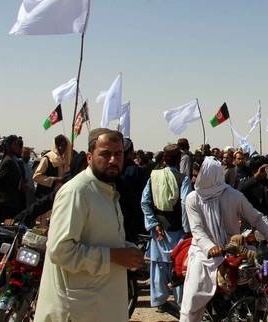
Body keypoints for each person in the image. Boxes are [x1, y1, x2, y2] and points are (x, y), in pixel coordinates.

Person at [34, 128, 144, 322]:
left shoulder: (107, 191)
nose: (113, 160)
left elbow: (101, 239)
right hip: (78, 310)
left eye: (118, 154)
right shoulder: (77, 192)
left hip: (100, 307)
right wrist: (115, 256)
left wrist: (128, 252)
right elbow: (60, 250)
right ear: (89, 157)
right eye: (105, 154)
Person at [179, 156, 268, 322]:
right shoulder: (192, 198)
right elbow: (197, 231)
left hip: (233, 249)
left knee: (261, 284)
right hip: (204, 254)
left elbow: (256, 218)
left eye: (197, 173)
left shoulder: (233, 195)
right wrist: (210, 248)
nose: (194, 178)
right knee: (191, 301)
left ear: (207, 173)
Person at [141, 144, 191, 315]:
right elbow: (185, 204)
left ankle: (160, 300)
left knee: (159, 265)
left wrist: (154, 224)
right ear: (178, 160)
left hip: (158, 230)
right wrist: (187, 229)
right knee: (178, 266)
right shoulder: (183, 179)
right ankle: (181, 303)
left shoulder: (153, 177)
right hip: (177, 229)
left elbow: (145, 202)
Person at [238, 154, 268, 222]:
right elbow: (240, 190)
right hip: (254, 223)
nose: (265, 172)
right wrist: (256, 176)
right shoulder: (248, 183)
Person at [0, 135, 27, 220]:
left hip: (14, 201)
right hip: (7, 203)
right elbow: (0, 182)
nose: (17, 146)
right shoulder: (7, 161)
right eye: (15, 144)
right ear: (9, 146)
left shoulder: (13, 159)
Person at [32, 135, 71, 200]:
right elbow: (36, 177)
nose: (62, 148)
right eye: (60, 145)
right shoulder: (47, 159)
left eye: (64, 146)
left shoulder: (64, 160)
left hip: (58, 196)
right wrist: (55, 179)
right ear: (56, 146)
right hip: (45, 196)